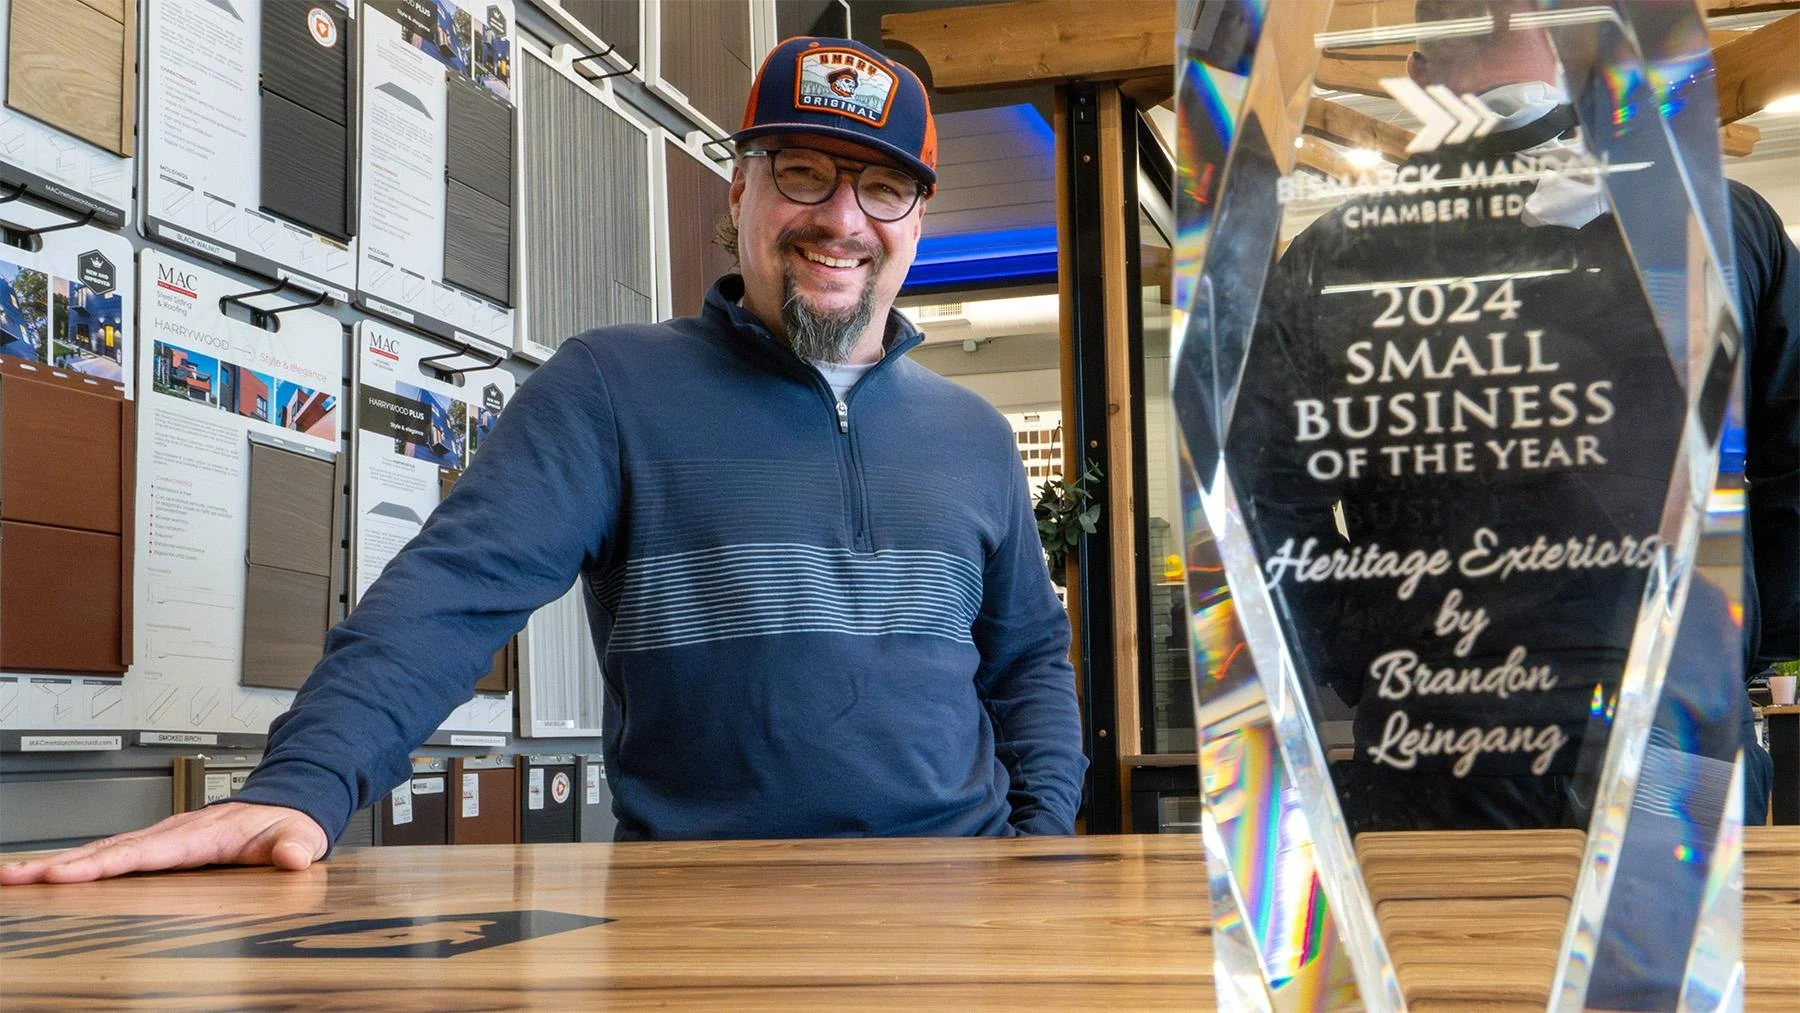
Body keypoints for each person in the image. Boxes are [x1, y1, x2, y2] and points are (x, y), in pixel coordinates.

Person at [1, 36, 1087, 886]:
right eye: (802, 172)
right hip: (707, 906)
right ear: (740, 192)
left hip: (963, 886)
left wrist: (1038, 844)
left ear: (918, 220)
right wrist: (305, 782)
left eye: (880, 188)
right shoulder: (610, 388)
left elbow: (1029, 660)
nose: (840, 218)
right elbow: (451, 590)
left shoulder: (974, 435)